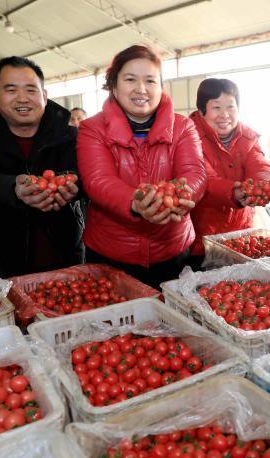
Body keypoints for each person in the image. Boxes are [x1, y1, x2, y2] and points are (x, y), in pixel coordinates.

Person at [77, 45, 206, 289]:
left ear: (161, 87)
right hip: (112, 254)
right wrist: (135, 203)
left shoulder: (183, 127)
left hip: (172, 250)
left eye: (150, 81)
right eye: (130, 80)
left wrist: (181, 196)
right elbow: (98, 181)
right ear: (113, 86)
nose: (141, 89)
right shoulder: (92, 129)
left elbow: (195, 173)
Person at [0, 56, 83, 278]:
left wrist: (75, 186)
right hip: (10, 264)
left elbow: (89, 177)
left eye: (31, 90)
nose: (22, 99)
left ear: (44, 95)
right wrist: (12, 187)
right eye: (11, 90)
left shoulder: (71, 137)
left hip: (70, 260)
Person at [187, 78, 270, 269]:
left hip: (241, 234)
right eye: (216, 107)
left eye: (231, 107)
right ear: (202, 110)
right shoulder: (189, 137)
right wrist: (234, 192)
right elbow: (203, 179)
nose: (224, 114)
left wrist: (261, 185)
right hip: (202, 236)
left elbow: (260, 166)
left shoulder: (248, 137)